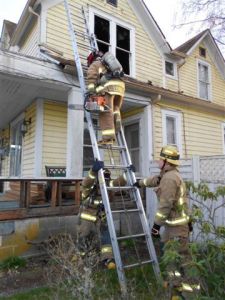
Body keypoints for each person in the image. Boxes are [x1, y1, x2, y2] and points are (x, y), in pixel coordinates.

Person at [133, 145, 200, 300]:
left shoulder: (170, 179)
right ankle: (175, 283)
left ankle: (190, 294)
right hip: (173, 226)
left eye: (160, 159)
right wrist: (140, 183)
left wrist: (155, 226)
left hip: (176, 227)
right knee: (169, 255)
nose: (158, 161)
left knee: (183, 258)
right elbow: (155, 180)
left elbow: (165, 205)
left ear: (166, 161)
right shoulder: (168, 175)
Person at [78, 160, 127, 269]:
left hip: (101, 214)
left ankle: (107, 258)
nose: (106, 180)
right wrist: (93, 171)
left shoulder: (106, 185)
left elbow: (116, 183)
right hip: (88, 213)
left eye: (107, 177)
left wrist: (126, 175)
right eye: (104, 177)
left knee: (106, 235)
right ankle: (81, 256)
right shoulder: (90, 186)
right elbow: (86, 183)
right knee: (83, 235)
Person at [87, 51, 125, 144]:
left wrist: (91, 93)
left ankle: (108, 138)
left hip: (108, 88)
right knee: (115, 108)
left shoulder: (94, 65)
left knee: (105, 112)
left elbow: (92, 79)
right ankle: (117, 119)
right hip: (120, 88)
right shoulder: (108, 64)